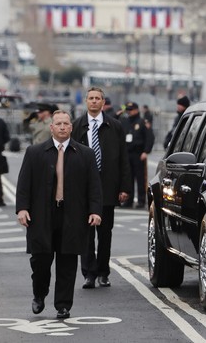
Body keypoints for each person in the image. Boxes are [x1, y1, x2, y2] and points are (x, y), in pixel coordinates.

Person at [16, 110, 102, 319]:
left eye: (66, 123)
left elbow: (94, 186)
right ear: (51, 127)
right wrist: (22, 208)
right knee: (40, 261)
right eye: (58, 124)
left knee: (67, 261)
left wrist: (95, 211)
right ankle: (39, 294)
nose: (62, 127)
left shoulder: (85, 154)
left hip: (72, 215)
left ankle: (63, 305)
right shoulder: (35, 152)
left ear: (71, 127)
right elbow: (24, 184)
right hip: (42, 215)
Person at [72, 87, 132, 289]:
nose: (94, 102)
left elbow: (124, 158)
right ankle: (89, 273)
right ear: (86, 101)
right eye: (91, 98)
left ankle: (103, 272)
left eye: (98, 98)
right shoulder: (77, 126)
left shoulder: (114, 126)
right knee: (86, 234)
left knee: (105, 234)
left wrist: (124, 187)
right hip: (84, 189)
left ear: (103, 102)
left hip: (107, 187)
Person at [120, 102, 154, 208]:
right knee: (128, 178)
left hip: (138, 154)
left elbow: (150, 137)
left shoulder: (142, 122)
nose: (129, 112)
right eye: (128, 110)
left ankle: (141, 200)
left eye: (131, 110)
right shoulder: (124, 121)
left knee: (140, 178)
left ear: (136, 110)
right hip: (127, 153)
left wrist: (146, 151)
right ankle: (128, 200)